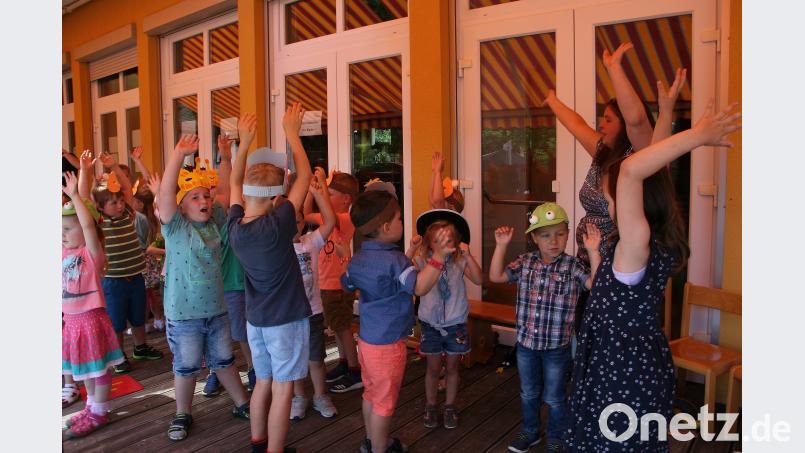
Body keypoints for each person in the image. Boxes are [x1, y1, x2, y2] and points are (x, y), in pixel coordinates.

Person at [566, 101, 740, 451]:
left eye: (608, 195)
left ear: (635, 203)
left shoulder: (635, 245)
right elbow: (648, 167)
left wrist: (697, 135)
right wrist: (664, 118)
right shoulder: (637, 247)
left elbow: (631, 170)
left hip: (621, 375)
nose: (606, 201)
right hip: (629, 365)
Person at [541, 42, 685, 330]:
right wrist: (552, 101)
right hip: (587, 263)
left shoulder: (639, 157)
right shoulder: (601, 153)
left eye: (608, 119)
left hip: (619, 268)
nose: (601, 124)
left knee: (609, 336)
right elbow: (576, 124)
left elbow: (636, 119)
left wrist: (614, 69)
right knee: (585, 333)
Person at [342, 189, 454, 453]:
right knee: (384, 403)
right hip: (389, 345)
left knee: (371, 394)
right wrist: (438, 257)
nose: (402, 223)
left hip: (367, 342)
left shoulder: (359, 258)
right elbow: (418, 287)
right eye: (399, 218)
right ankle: (380, 449)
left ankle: (372, 442)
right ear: (385, 226)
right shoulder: (395, 260)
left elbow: (347, 284)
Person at [228, 103, 312, 453]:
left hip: (256, 321)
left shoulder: (235, 227)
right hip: (286, 321)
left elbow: (233, 182)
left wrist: (244, 143)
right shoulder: (278, 225)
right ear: (278, 197)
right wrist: (292, 132)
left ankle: (258, 443)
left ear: (246, 194)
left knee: (262, 382)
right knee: (283, 388)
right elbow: (305, 178)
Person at [157, 133, 251, 442]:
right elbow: (165, 196)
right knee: (186, 366)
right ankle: (182, 412)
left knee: (224, 359)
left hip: (217, 310)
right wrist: (178, 154)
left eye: (205, 197)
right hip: (185, 315)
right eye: (195, 197)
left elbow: (223, 190)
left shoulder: (215, 223)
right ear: (182, 207)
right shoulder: (176, 228)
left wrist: (226, 155)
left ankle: (242, 404)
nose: (204, 201)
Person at [489, 202, 601, 453]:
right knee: (528, 393)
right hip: (526, 345)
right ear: (534, 239)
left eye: (560, 234)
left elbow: (595, 284)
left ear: (567, 234)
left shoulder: (572, 266)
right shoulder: (525, 262)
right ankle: (530, 431)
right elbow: (496, 277)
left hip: (556, 349)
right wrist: (501, 246)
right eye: (546, 235)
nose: (554, 241)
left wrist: (593, 251)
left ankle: (556, 435)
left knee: (554, 396)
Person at [86, 152, 163, 373]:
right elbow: (88, 200)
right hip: (114, 281)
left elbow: (128, 189)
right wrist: (88, 172)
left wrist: (114, 168)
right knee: (117, 322)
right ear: (100, 207)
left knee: (138, 316)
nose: (119, 205)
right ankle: (118, 356)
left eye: (120, 201)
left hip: (136, 276)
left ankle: (140, 347)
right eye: (113, 203)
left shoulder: (128, 214)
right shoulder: (100, 222)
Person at [62, 171, 125, 438]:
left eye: (67, 229)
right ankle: (91, 406)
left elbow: (88, 226)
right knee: (85, 368)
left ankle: (100, 410)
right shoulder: (63, 252)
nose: (61, 235)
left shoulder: (91, 254)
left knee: (98, 368)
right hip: (72, 322)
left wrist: (75, 195)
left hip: (90, 319)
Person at [411, 209, 482, 429]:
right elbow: (405, 273)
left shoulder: (460, 261)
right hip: (431, 324)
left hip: (455, 324)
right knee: (433, 369)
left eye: (448, 240)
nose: (444, 244)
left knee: (452, 368)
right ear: (429, 243)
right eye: (438, 240)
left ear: (457, 241)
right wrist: (412, 248)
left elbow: (479, 280)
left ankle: (450, 406)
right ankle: (431, 406)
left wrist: (468, 255)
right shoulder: (423, 260)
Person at [204, 132, 258, 397]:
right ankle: (216, 371)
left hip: (247, 285)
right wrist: (225, 157)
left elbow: (230, 188)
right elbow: (226, 189)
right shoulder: (218, 222)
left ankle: (253, 370)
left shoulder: (247, 221)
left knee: (246, 332)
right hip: (224, 288)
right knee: (222, 333)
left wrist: (227, 155)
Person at [303, 170, 363, 393]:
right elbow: (307, 212)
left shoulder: (345, 219)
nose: (326, 196)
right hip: (326, 285)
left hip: (337, 286)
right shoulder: (326, 217)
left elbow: (326, 213)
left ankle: (355, 371)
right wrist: (312, 189)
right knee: (337, 327)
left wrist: (320, 189)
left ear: (346, 198)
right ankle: (345, 363)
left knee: (344, 327)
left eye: (331, 193)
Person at [291, 168, 339, 420]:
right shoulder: (275, 246)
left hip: (312, 312)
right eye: (289, 220)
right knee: (295, 361)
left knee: (316, 358)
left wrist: (319, 194)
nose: (294, 225)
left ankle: (320, 395)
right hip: (287, 316)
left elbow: (330, 222)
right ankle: (300, 396)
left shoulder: (310, 241)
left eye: (298, 220)